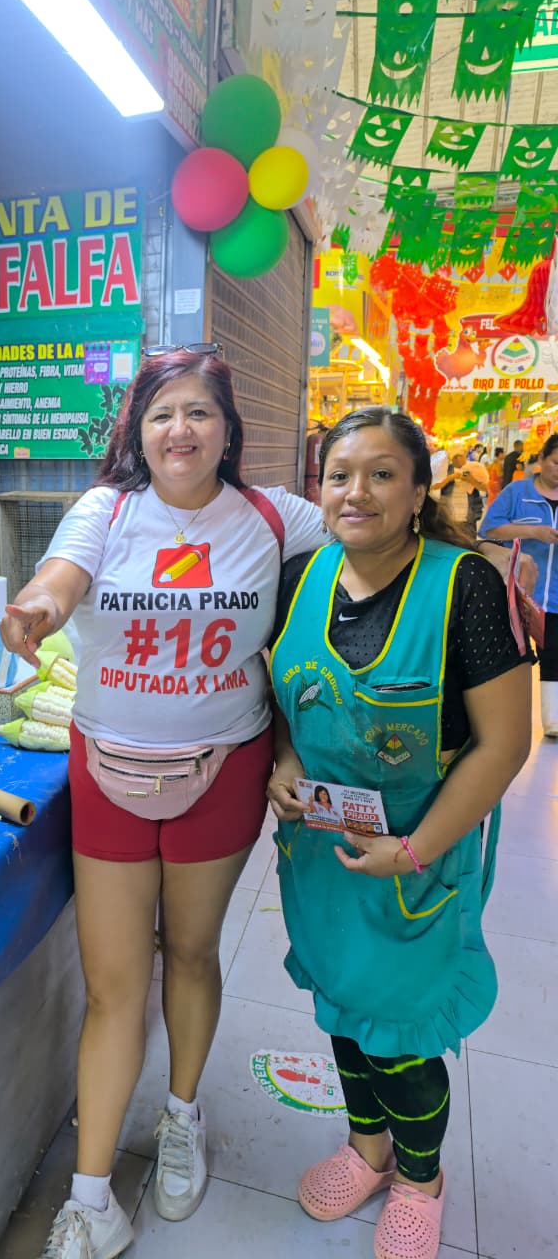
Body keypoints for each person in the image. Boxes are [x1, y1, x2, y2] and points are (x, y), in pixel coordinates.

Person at [0, 345, 330, 1258]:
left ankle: (183, 1116)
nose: (179, 430)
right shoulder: (105, 510)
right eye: (161, 414)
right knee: (113, 987)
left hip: (224, 769)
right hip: (107, 770)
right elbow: (60, 579)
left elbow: (364, 541)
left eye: (198, 412)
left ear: (228, 428)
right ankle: (92, 1199)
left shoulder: (275, 516)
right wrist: (35, 611)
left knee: (188, 953)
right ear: (137, 432)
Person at [267, 407, 530, 1259]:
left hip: (419, 857)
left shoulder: (466, 587)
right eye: (339, 475)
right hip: (324, 853)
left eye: (382, 474)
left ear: (420, 492)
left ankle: (421, 1180)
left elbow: (505, 744)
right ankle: (367, 1151)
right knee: (344, 1009)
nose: (357, 492)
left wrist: (413, 850)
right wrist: (282, 760)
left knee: (403, 1037)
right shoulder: (303, 575)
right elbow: (286, 696)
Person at [481, 431, 558, 736]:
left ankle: (552, 720)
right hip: (520, 593)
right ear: (542, 460)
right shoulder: (517, 492)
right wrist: (534, 532)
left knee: (553, 655)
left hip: (555, 596)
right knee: (513, 657)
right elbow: (489, 529)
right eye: (556, 462)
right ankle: (500, 723)